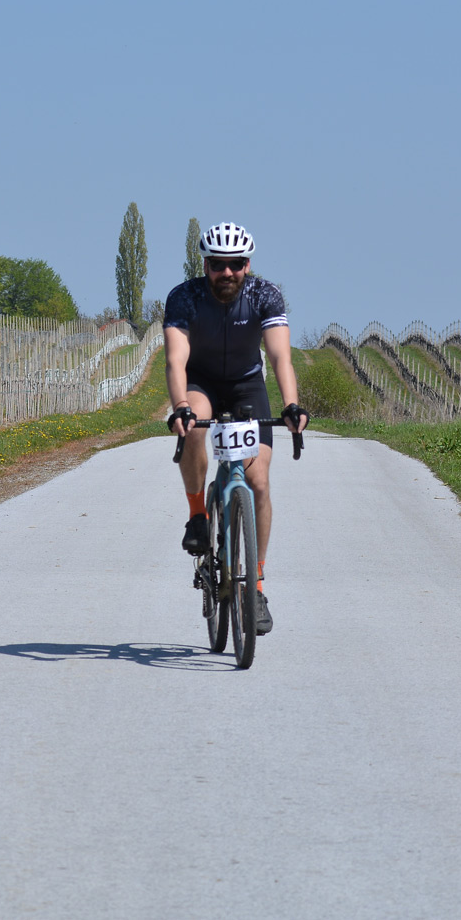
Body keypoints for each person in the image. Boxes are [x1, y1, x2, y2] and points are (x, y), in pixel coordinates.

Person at [163, 222, 308, 636]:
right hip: (201, 382)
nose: (227, 273)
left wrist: (291, 404)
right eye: (217, 264)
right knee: (193, 431)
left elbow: (280, 356)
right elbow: (175, 360)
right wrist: (181, 407)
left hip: (247, 384)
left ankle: (256, 585)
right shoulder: (184, 297)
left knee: (258, 482)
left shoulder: (264, 295)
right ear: (204, 264)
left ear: (248, 264)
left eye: (236, 264)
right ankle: (197, 516)